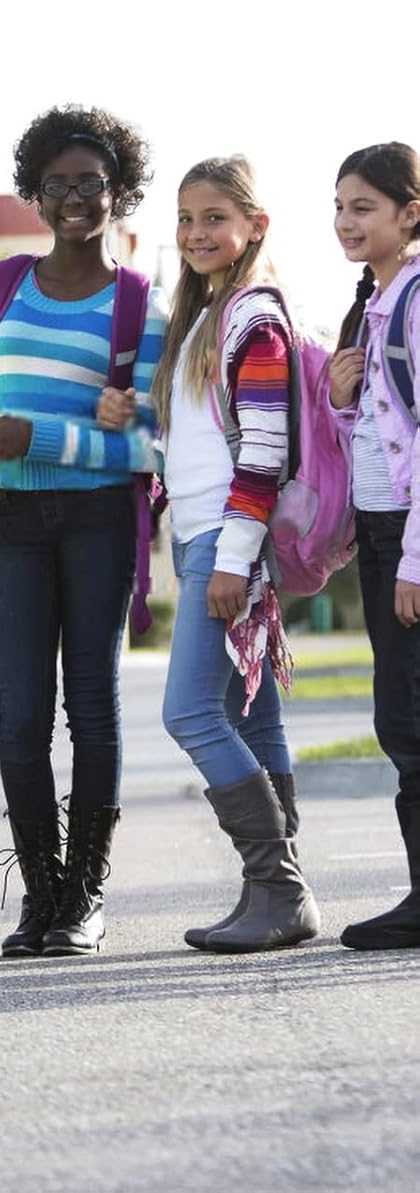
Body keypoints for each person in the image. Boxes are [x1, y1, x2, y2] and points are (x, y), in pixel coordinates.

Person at [0, 105, 167, 957]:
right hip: (18, 523)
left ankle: (84, 896)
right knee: (19, 714)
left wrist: (48, 439)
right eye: (59, 183)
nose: (76, 197)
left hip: (103, 521)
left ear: (120, 193)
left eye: (93, 183)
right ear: (35, 193)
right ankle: (39, 892)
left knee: (93, 708)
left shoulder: (141, 306)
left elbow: (150, 443)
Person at [102, 156, 317, 952]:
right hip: (205, 531)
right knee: (252, 714)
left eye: (214, 218)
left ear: (254, 226)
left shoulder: (253, 316)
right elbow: (192, 449)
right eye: (186, 219)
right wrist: (135, 420)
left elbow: (261, 451)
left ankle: (279, 885)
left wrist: (231, 558)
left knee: (190, 709)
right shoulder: (208, 315)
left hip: (229, 542)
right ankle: (280, 893)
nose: (196, 233)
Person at [328, 142, 420, 951]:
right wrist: (340, 398)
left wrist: (415, 561)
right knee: (402, 717)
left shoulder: (417, 301)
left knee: (410, 717)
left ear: (409, 214)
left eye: (364, 207)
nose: (347, 222)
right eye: (340, 207)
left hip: (410, 542)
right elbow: (379, 438)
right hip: (384, 533)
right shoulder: (379, 303)